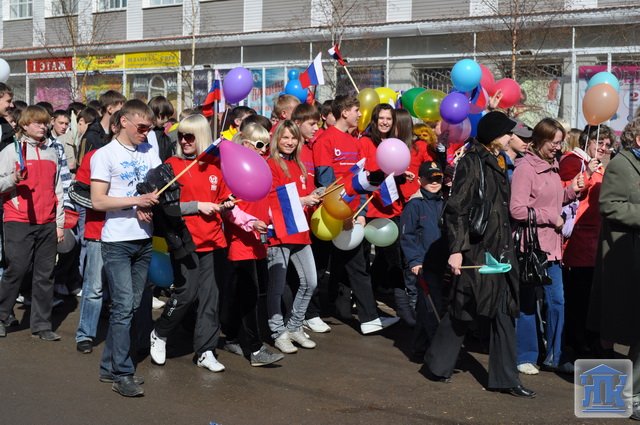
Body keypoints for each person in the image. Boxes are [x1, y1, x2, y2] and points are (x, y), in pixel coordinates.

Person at [424, 111, 535, 398]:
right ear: (495, 135)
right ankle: (437, 364)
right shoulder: (472, 161)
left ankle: (504, 378)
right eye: (507, 133)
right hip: (478, 249)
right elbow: (456, 209)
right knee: (464, 308)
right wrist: (457, 250)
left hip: (501, 249)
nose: (511, 137)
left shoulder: (500, 159)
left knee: (503, 308)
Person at [149, 114, 234, 372]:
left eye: (190, 136)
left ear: (202, 137)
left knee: (210, 298)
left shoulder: (216, 166)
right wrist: (198, 206)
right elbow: (165, 205)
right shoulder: (171, 165)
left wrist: (227, 204)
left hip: (213, 241)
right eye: (181, 136)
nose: (184, 141)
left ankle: (206, 350)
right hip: (185, 242)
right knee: (186, 294)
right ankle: (160, 332)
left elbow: (223, 198)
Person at [90, 99, 160, 397]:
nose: (146, 133)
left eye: (149, 128)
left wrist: (150, 203)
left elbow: (157, 188)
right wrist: (136, 202)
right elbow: (98, 200)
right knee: (121, 308)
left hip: (144, 240)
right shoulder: (104, 154)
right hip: (117, 242)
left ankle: (109, 366)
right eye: (141, 127)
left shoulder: (149, 149)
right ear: (124, 122)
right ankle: (122, 373)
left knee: (131, 306)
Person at [313, 95, 399, 334]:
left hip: (352, 213)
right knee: (320, 266)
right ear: (344, 113)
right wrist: (342, 212)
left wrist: (360, 211)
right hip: (331, 215)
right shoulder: (325, 139)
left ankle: (368, 318)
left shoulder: (354, 141)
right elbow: (326, 182)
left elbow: (359, 181)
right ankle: (309, 314)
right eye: (356, 110)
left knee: (356, 265)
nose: (360, 114)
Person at [510, 118, 583, 375]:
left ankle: (556, 355)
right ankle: (525, 355)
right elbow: (517, 210)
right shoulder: (525, 169)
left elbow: (552, 200)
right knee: (528, 303)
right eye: (554, 143)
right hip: (531, 247)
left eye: (560, 143)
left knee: (557, 302)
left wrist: (571, 191)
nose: (558, 148)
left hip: (552, 248)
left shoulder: (553, 166)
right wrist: (551, 217)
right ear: (540, 140)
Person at [586, 118, 640, 420]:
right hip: (626, 258)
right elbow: (609, 205)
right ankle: (629, 395)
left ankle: (631, 393)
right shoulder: (622, 164)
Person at [221, 123, 284, 367]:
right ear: (245, 143)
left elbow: (267, 203)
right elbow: (229, 210)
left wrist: (275, 219)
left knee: (240, 294)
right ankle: (255, 349)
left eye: (267, 145)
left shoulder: (262, 167)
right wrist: (251, 223)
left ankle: (231, 336)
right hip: (239, 242)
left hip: (258, 240)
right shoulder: (232, 168)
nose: (263, 149)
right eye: (259, 144)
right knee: (249, 296)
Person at [0, 106, 64, 340]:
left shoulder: (52, 152)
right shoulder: (11, 151)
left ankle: (41, 325)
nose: (43, 127)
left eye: (45, 122)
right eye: (37, 122)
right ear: (25, 125)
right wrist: (13, 179)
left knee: (45, 275)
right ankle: (1, 316)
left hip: (47, 221)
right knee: (16, 269)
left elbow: (58, 189)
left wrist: (59, 223)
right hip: (18, 219)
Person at [266, 120, 320, 353]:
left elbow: (304, 195)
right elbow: (272, 199)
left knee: (311, 282)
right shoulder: (270, 164)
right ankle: (278, 332)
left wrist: (316, 195)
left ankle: (295, 326)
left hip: (300, 231)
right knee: (276, 288)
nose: (289, 142)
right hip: (279, 233)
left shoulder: (300, 165)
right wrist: (304, 200)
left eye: (293, 138)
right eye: (285, 137)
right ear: (276, 139)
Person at [559, 125, 611, 356]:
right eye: (600, 142)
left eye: (607, 145)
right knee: (578, 295)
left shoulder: (599, 165)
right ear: (587, 141)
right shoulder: (573, 161)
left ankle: (587, 339)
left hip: (595, 238)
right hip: (578, 238)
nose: (603, 148)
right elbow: (570, 192)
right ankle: (574, 341)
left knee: (589, 294)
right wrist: (588, 172)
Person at [400, 161, 447, 357]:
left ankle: (419, 345)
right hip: (423, 264)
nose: (434, 182)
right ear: (420, 180)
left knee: (427, 305)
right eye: (429, 179)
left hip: (442, 262)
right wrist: (414, 261)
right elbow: (407, 236)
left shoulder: (445, 202)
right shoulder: (414, 205)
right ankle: (435, 350)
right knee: (431, 307)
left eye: (438, 178)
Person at [79, 90, 126, 164]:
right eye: (121, 110)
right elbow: (82, 164)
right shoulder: (91, 136)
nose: (124, 114)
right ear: (110, 109)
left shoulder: (121, 132)